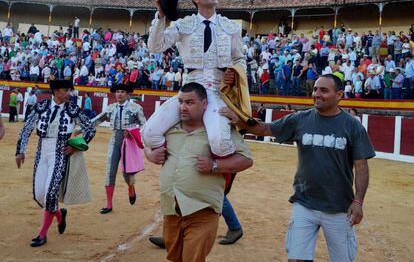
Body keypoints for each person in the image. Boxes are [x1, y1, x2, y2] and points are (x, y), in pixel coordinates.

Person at [220, 74, 375, 262]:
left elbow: (361, 167)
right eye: (315, 89)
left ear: (339, 94)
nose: (317, 94)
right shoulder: (300, 119)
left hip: (339, 207)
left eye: (324, 90)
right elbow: (264, 129)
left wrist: (358, 202)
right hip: (304, 203)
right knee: (296, 259)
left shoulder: (352, 126)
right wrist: (239, 119)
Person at [144, 82, 252, 262]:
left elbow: (246, 159)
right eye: (181, 102)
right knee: (175, 257)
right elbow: (146, 146)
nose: (183, 107)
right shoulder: (169, 129)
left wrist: (215, 166)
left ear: (204, 104)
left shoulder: (219, 131)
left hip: (202, 210)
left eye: (190, 102)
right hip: (171, 208)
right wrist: (150, 154)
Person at [143, 0, 247, 160]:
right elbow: (155, 47)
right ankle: (178, 161)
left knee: (220, 144)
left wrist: (234, 71)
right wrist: (161, 15)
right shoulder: (184, 25)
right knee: (150, 135)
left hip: (217, 91)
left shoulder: (230, 27)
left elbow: (240, 58)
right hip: (189, 91)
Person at [15, 80, 96, 247]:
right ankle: (59, 214)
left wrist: (76, 147)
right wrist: (20, 150)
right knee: (39, 195)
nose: (69, 93)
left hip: (60, 152)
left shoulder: (72, 108)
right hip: (42, 151)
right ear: (55, 91)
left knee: (50, 194)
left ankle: (42, 234)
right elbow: (27, 128)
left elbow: (90, 128)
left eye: (69, 90)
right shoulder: (41, 106)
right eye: (65, 90)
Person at [90, 83, 146, 214]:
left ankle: (131, 187)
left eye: (122, 91)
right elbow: (96, 120)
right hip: (115, 141)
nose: (119, 94)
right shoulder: (111, 108)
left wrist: (132, 131)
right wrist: (80, 129)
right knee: (110, 172)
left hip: (129, 143)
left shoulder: (135, 108)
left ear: (127, 94)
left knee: (127, 173)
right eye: (117, 92)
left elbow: (144, 126)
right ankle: (109, 204)